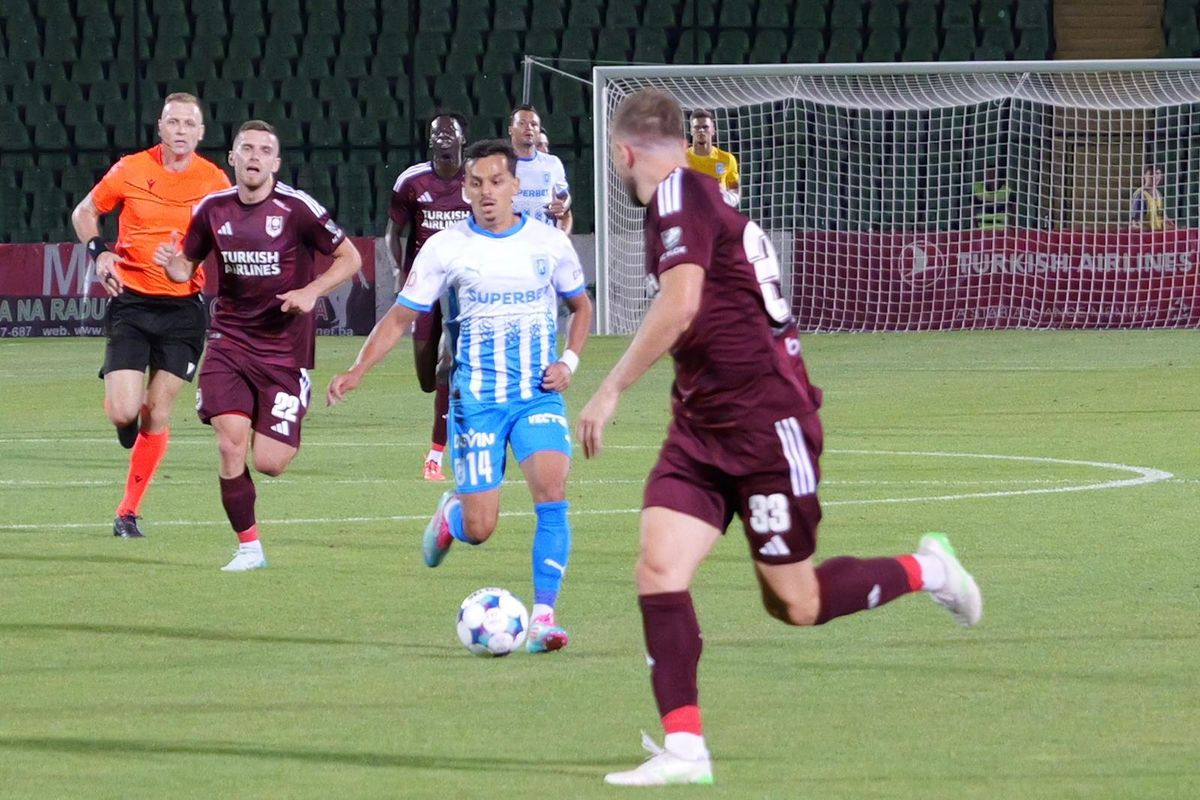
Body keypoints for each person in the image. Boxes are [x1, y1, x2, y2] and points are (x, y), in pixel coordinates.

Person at [577, 89, 983, 787]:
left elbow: (681, 306)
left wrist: (609, 389)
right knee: (658, 569)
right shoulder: (697, 196)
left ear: (622, 152)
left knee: (797, 604)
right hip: (701, 428)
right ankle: (685, 749)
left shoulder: (675, 196)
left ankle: (931, 570)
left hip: (769, 428)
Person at [328, 139, 593, 653]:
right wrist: (360, 368)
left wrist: (570, 362)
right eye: (477, 183)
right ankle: (452, 517)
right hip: (477, 401)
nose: (487, 192)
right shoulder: (446, 248)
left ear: (517, 185)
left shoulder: (549, 243)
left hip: (536, 395)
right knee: (480, 527)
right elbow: (402, 317)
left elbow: (581, 308)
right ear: (465, 190)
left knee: (553, 496)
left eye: (497, 181)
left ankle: (543, 619)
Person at [155, 120, 362, 571]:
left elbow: (351, 257)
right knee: (230, 444)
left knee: (270, 462)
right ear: (231, 157)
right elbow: (182, 268)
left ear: (276, 162)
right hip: (229, 341)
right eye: (245, 148)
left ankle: (264, 413)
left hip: (285, 351)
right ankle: (249, 547)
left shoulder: (297, 208)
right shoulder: (211, 209)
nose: (254, 156)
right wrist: (172, 263)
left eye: (264, 150)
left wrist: (312, 291)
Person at [70, 92, 232, 539]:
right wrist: (99, 254)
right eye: (173, 122)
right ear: (160, 128)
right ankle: (127, 423)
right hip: (133, 301)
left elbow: (228, 237)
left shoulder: (214, 181)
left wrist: (189, 259)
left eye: (189, 124)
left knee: (157, 411)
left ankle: (127, 512)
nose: (180, 130)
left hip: (183, 310)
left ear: (200, 133)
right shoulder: (131, 169)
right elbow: (84, 212)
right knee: (124, 411)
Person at [385, 112, 472, 481]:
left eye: (450, 133)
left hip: (465, 288)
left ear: (463, 139)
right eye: (437, 134)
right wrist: (397, 273)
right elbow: (392, 233)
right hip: (424, 284)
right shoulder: (411, 181)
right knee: (426, 375)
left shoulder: (477, 179)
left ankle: (436, 455)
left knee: (446, 365)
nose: (443, 139)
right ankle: (441, 396)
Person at [509, 104, 573, 233]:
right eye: (522, 123)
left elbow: (564, 198)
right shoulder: (501, 163)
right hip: (511, 241)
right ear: (510, 129)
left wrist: (563, 205)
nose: (529, 127)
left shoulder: (552, 163)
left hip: (543, 242)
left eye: (534, 124)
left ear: (538, 130)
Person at [686, 109, 740, 207]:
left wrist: (730, 199)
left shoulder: (727, 159)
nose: (701, 130)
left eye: (705, 127)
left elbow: (734, 186)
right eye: (697, 127)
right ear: (691, 131)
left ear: (713, 130)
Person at [1130, 164, 1173, 231]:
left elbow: (1164, 217)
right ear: (1144, 175)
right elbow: (1135, 222)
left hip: (1158, 235)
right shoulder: (1141, 195)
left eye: (1157, 173)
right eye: (1151, 174)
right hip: (1147, 236)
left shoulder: (1158, 194)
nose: (1155, 177)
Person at [973, 166, 1014, 230]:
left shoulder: (1007, 191)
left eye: (993, 173)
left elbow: (1014, 212)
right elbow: (971, 211)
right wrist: (975, 228)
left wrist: (1010, 227)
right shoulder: (977, 190)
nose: (990, 176)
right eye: (988, 174)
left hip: (1001, 230)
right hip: (982, 229)